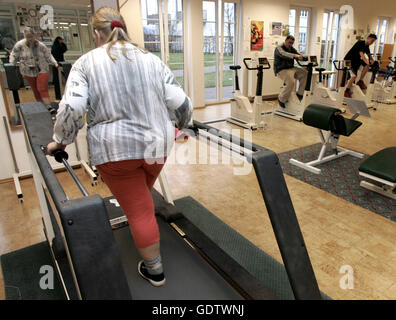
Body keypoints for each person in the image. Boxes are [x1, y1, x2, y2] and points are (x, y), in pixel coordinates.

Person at [45, 7, 193, 287]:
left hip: (115, 150)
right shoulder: (152, 60)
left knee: (139, 210)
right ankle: (144, 229)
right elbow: (181, 103)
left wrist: (60, 141)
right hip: (157, 146)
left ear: (97, 33)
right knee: (140, 198)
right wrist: (180, 125)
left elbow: (74, 106)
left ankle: (155, 270)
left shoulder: (86, 62)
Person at [9, 27, 58, 114]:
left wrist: (54, 62)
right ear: (25, 36)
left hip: (42, 69)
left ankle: (48, 106)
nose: (30, 39)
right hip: (27, 70)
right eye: (28, 37)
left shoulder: (41, 45)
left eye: (31, 36)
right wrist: (11, 63)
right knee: (35, 89)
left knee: (42, 88)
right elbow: (13, 54)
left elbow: (48, 55)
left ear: (34, 35)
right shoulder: (19, 45)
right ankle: (41, 105)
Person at [274, 35, 308, 108]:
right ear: (285, 40)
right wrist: (296, 56)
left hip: (291, 68)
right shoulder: (279, 48)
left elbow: (298, 55)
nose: (290, 44)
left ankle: (300, 94)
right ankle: (281, 99)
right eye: (289, 42)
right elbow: (283, 54)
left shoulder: (291, 49)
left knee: (304, 73)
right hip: (281, 69)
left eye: (292, 43)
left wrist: (303, 58)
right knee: (291, 82)